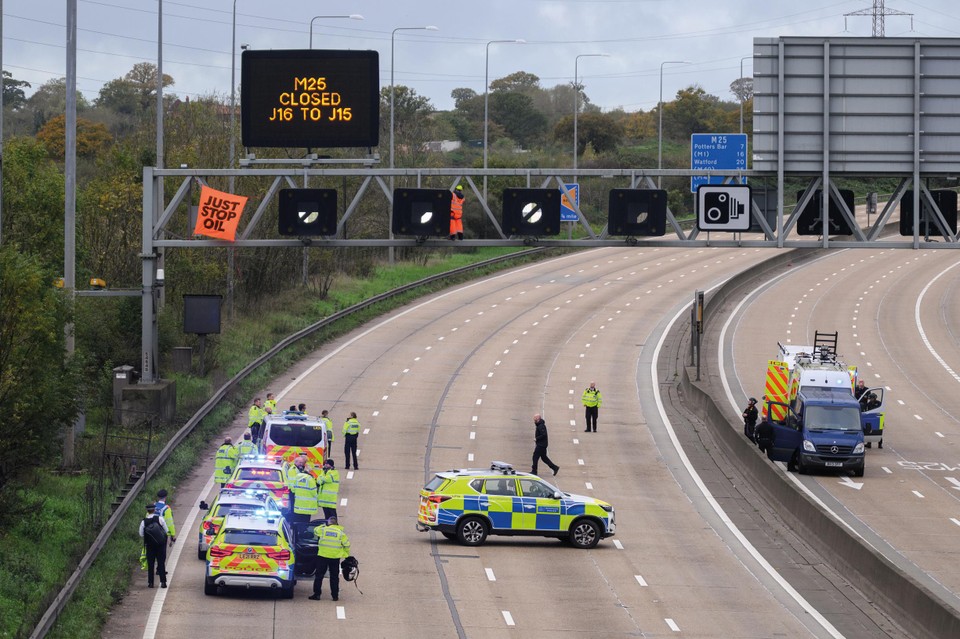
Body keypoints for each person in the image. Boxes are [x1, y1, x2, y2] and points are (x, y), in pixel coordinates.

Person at [308, 516, 350, 601]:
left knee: (319, 576)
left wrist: (323, 525)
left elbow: (315, 530)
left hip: (322, 556)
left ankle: (317, 595)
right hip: (335, 558)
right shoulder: (341, 533)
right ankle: (335, 596)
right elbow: (347, 545)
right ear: (336, 523)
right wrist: (345, 555)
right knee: (334, 577)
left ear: (329, 523)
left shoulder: (323, 530)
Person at [139, 503, 169, 588]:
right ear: (155, 510)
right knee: (161, 563)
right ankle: (163, 582)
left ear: (147, 511)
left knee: (151, 564)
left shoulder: (143, 521)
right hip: (160, 545)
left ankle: (151, 583)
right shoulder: (160, 519)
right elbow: (166, 531)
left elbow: (141, 534)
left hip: (149, 545)